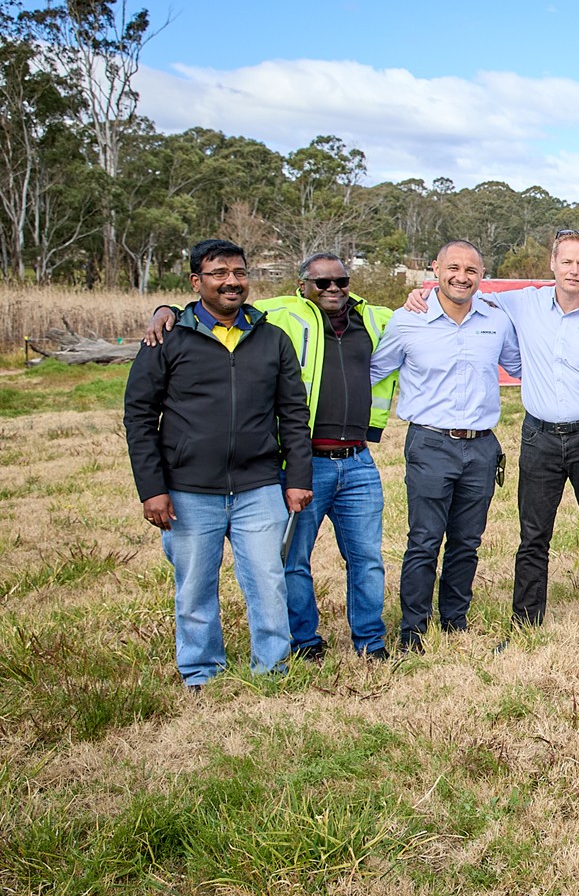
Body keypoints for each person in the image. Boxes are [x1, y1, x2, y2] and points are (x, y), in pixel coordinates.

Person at [144, 252, 400, 661]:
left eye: (341, 281)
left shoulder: (373, 318)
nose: (333, 288)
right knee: (292, 562)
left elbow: (424, 310)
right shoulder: (279, 313)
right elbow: (219, 306)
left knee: (368, 559)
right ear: (303, 285)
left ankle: (370, 644)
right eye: (322, 282)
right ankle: (304, 642)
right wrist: (166, 311)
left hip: (358, 461)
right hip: (306, 461)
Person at [407, 229, 579, 645]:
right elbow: (463, 290)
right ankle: (526, 623)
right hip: (539, 438)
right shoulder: (523, 302)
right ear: (552, 263)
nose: (573, 270)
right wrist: (420, 295)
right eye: (566, 261)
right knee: (533, 536)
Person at [123, 238, 312, 689]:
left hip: (259, 485)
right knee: (193, 588)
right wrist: (153, 489)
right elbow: (139, 415)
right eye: (219, 273)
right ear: (196, 281)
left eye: (239, 273)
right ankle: (200, 671)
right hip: (189, 490)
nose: (232, 281)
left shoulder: (271, 338)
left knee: (269, 582)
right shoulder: (168, 337)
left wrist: (297, 478)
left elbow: (294, 413)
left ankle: (273, 668)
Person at [371, 240, 521, 654]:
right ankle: (413, 630)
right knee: (423, 539)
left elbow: (523, 365)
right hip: (430, 443)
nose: (461, 276)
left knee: (467, 541)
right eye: (453, 267)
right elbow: (372, 370)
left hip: (482, 447)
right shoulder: (406, 320)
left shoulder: (495, 320)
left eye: (471, 270)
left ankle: (455, 620)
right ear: (435, 269)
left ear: (481, 276)